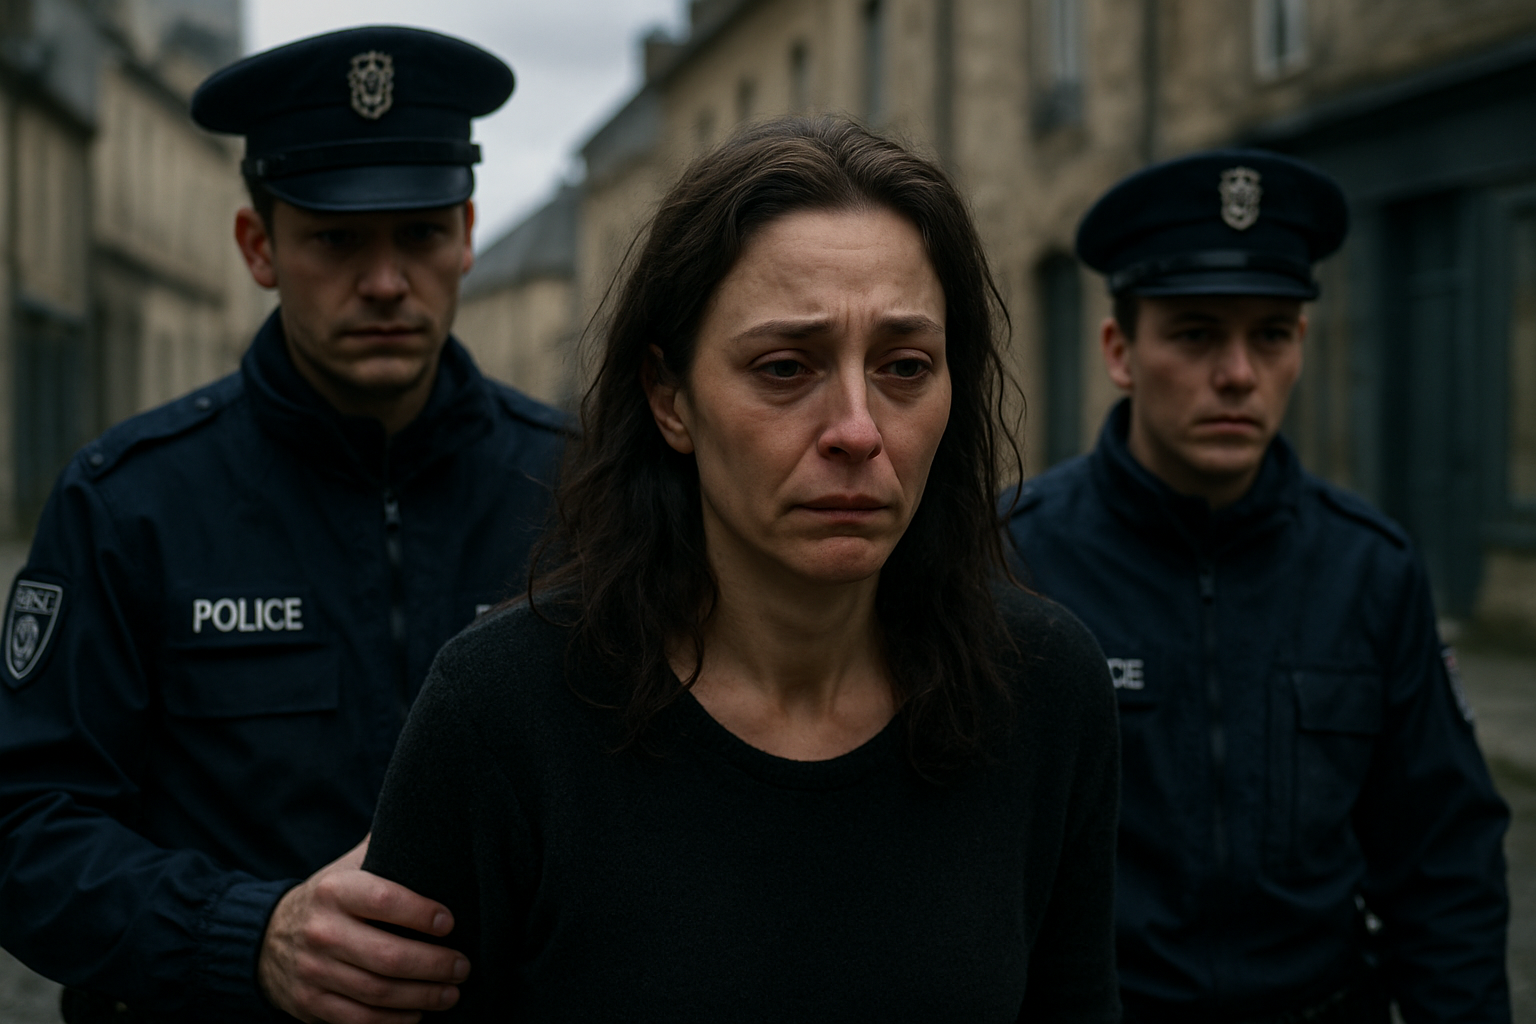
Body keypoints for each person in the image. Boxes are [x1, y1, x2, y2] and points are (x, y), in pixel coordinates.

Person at [358, 116, 1121, 1022]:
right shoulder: (502, 712)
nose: (858, 429)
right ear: (669, 397)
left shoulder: (1042, 688)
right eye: (785, 367)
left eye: (905, 365)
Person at [0, 26, 567, 1024]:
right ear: (259, 247)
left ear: (470, 233)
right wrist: (244, 934)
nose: (387, 281)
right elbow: (25, 829)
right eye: (337, 240)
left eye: (423, 233)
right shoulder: (129, 502)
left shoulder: (580, 489)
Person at [1005, 149, 1511, 1022]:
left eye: (1270, 334)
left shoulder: (1370, 571)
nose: (1238, 373)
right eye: (1197, 333)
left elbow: (1445, 872)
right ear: (1121, 350)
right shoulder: (1018, 562)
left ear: (1301, 346)